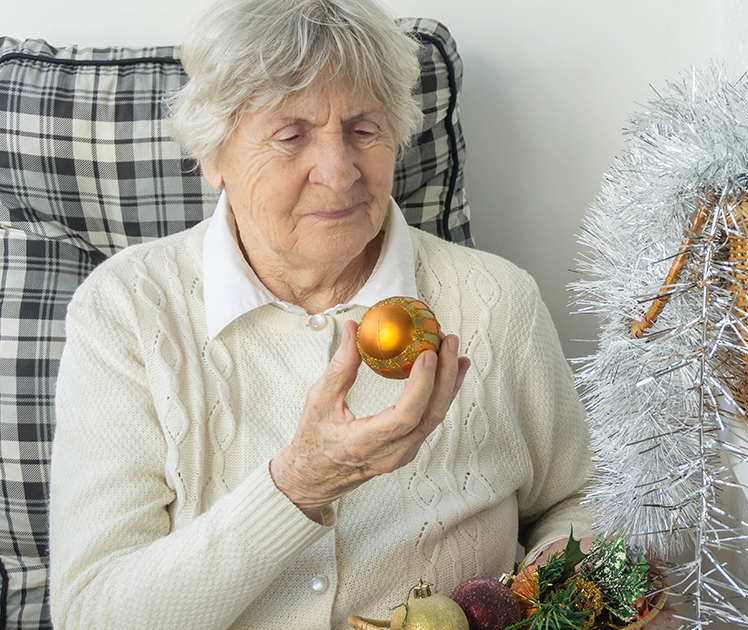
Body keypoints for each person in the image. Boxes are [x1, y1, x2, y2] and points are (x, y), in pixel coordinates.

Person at [47, 0, 596, 627]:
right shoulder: (127, 310)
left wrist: (552, 602)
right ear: (212, 154)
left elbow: (583, 496)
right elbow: (92, 614)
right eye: (290, 135)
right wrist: (299, 483)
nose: (338, 173)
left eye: (364, 130)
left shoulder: (497, 301)